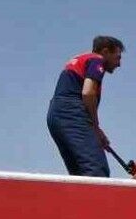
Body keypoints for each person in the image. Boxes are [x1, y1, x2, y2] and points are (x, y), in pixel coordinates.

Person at [47, 35, 124, 177]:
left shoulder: (81, 59)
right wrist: (95, 126)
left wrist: (96, 130)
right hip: (71, 112)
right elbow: (88, 93)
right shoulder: (97, 60)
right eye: (117, 57)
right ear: (105, 52)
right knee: (96, 170)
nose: (119, 64)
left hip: (56, 115)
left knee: (79, 172)